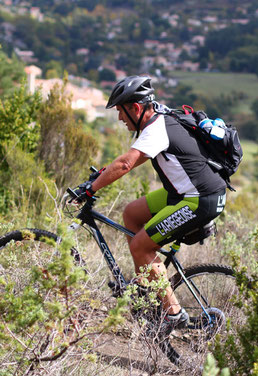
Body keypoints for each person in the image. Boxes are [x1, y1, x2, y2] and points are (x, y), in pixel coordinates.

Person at [76, 75, 227, 331]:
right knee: (132, 213)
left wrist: (91, 188)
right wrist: (102, 175)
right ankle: (145, 289)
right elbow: (132, 160)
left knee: (140, 246)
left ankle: (173, 314)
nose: (120, 119)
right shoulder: (159, 118)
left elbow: (125, 164)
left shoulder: (157, 128)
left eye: (121, 112)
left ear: (135, 108)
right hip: (185, 193)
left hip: (200, 199)